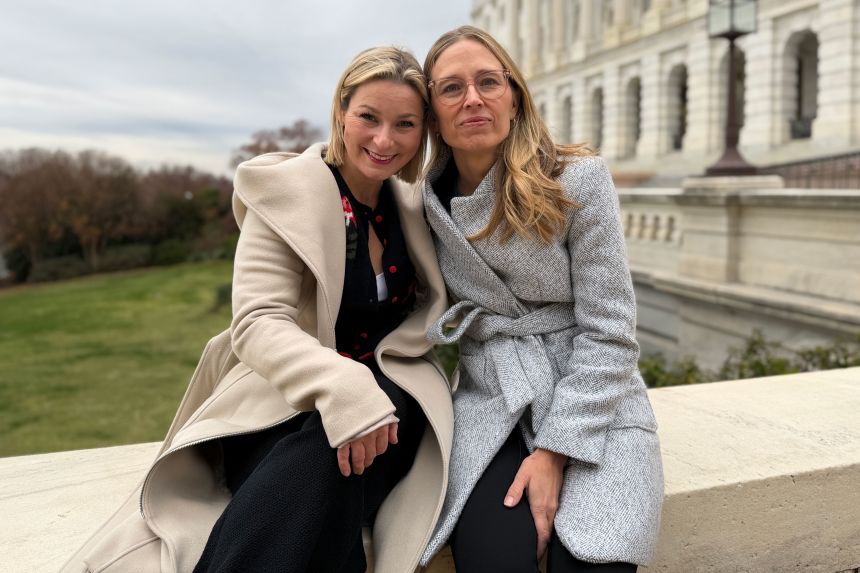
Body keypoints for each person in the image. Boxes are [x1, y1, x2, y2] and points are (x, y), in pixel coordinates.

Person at [60, 46, 453, 573]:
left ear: (422, 130)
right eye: (368, 117)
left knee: (336, 457)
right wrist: (341, 385)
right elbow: (257, 321)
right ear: (341, 111)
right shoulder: (287, 191)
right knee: (328, 463)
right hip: (281, 405)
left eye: (404, 124)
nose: (384, 140)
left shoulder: (413, 204)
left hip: (393, 402)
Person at [418, 26, 664, 573]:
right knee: (495, 559)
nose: (474, 98)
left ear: (515, 95)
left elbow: (611, 331)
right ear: (433, 113)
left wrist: (555, 451)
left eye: (488, 82)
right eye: (452, 88)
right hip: (493, 396)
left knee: (596, 557)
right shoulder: (423, 206)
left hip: (596, 397)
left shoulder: (578, 181)